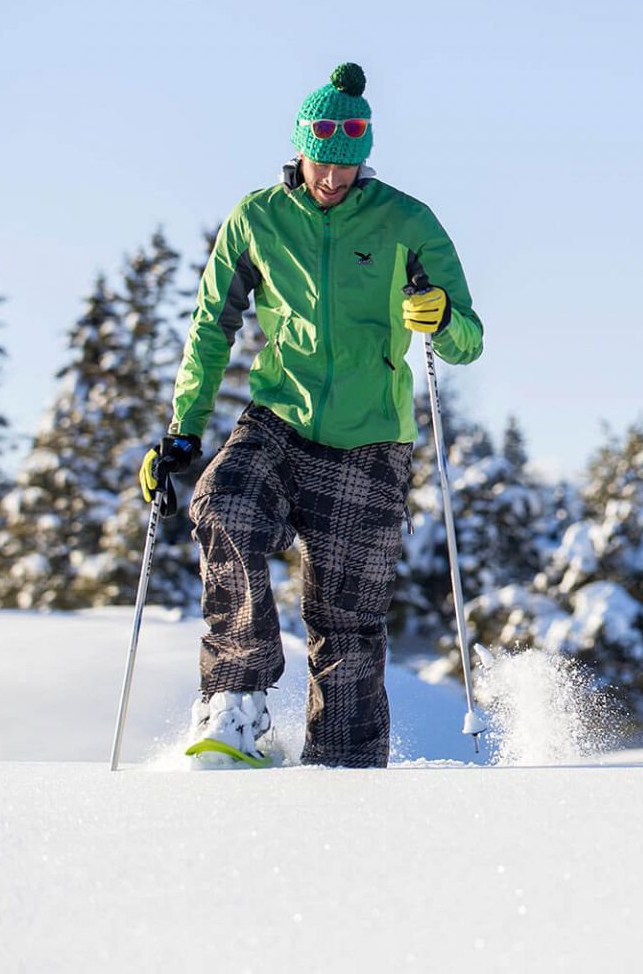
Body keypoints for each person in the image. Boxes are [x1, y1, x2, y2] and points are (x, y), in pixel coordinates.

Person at [138, 62, 484, 768]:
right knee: (221, 504)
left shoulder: (407, 222)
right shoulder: (256, 219)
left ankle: (343, 781)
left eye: (348, 165)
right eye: (323, 161)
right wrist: (185, 430)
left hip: (370, 442)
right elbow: (212, 327)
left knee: (345, 628)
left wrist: (442, 319)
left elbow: (468, 339)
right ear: (300, 148)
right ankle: (238, 705)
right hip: (279, 419)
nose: (333, 178)